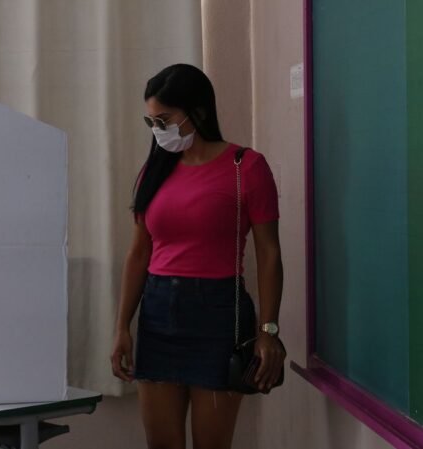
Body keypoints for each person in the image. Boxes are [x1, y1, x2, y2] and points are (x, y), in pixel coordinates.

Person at [110, 63, 286, 449]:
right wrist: (123, 325)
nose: (159, 131)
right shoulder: (153, 172)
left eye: (166, 119)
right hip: (158, 313)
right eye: (151, 121)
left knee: (211, 444)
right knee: (161, 443)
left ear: (199, 112)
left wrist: (269, 331)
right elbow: (139, 253)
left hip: (219, 315)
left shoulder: (247, 167)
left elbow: (269, 253)